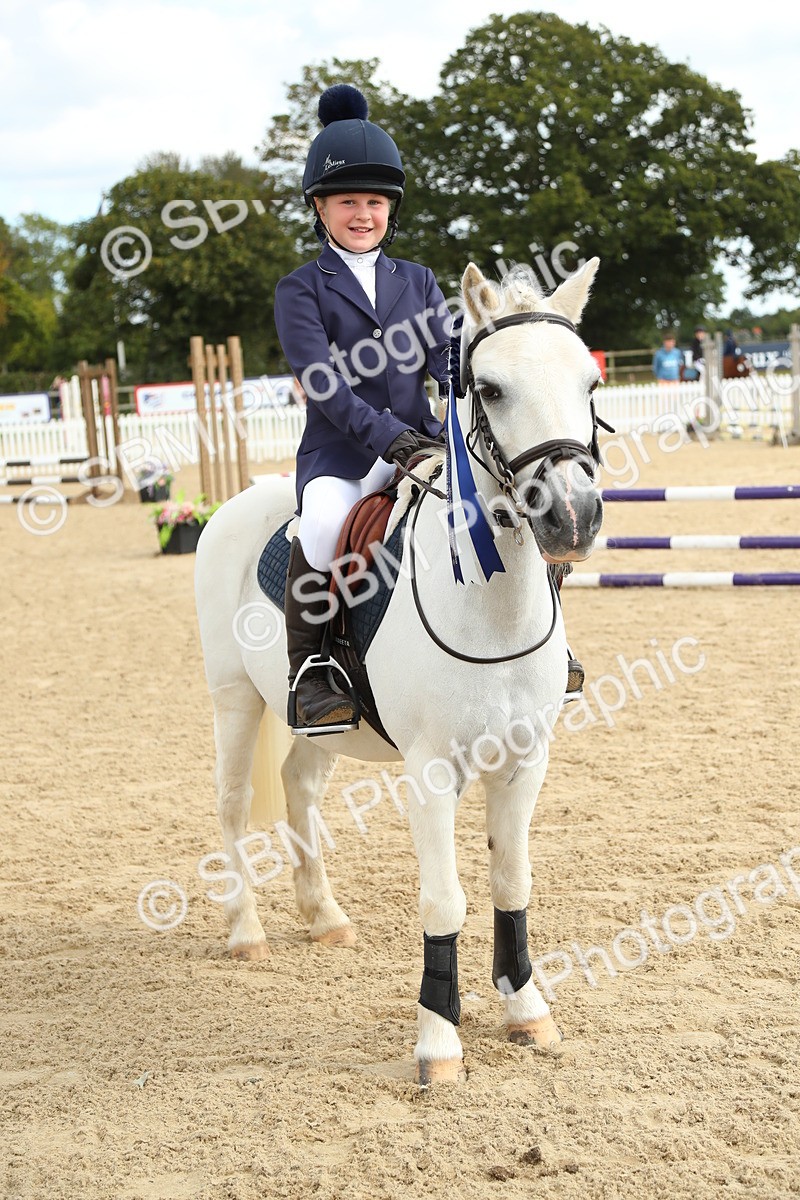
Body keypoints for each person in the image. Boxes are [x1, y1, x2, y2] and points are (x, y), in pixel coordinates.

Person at [274, 84, 449, 732]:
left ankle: (542, 646)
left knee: (499, 504)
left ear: (390, 208)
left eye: (374, 201)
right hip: (344, 454)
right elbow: (325, 385)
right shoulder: (300, 291)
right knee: (321, 528)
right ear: (320, 207)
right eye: (348, 200)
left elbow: (443, 359)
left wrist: (471, 376)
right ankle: (312, 670)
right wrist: (391, 439)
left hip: (423, 443)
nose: (363, 213)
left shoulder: (420, 280)